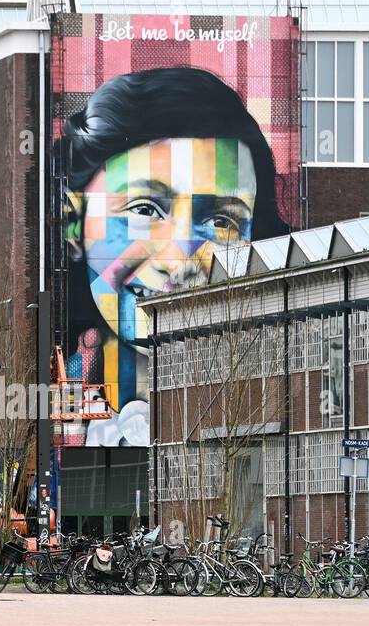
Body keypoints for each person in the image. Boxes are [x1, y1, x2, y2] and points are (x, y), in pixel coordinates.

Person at [58, 67, 290, 447]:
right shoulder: (64, 389)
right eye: (145, 210)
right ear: (75, 223)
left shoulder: (276, 394)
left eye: (220, 220)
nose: (178, 258)